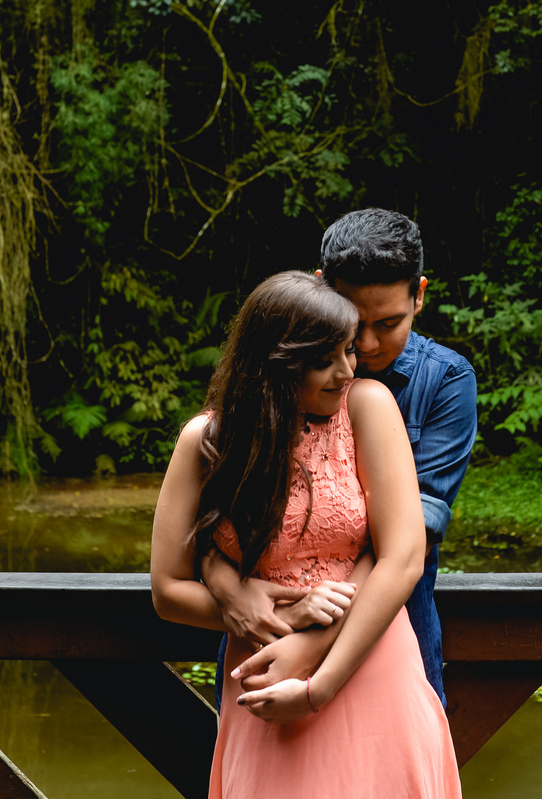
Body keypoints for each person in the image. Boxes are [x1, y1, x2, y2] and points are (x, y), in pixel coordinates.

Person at [151, 271, 461, 797]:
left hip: (367, 656)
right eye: (325, 359)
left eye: (347, 352)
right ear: (275, 364)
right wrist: (251, 610)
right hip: (266, 674)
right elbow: (167, 591)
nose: (346, 370)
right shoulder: (205, 441)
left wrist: (318, 684)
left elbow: (402, 556)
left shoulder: (368, 406)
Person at [202, 209, 477, 708]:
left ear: (420, 293)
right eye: (353, 322)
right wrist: (227, 585)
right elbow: (216, 515)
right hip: (264, 641)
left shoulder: (446, 382)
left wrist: (311, 655)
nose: (366, 347)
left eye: (389, 323)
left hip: (392, 635)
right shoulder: (275, 384)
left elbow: (404, 542)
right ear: (320, 290)